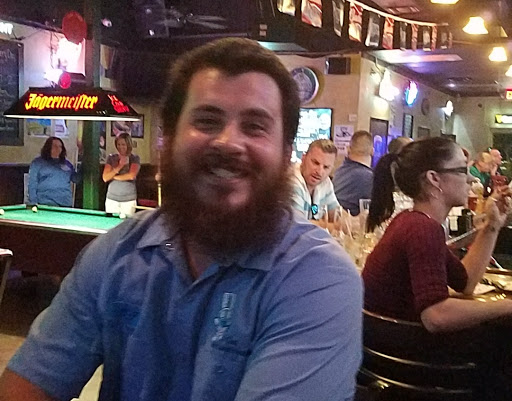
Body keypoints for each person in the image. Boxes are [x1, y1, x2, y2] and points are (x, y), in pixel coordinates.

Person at [0, 38, 362, 401]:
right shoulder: (115, 253)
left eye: (255, 126)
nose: (228, 142)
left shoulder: (318, 277)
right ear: (168, 139)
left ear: (286, 154)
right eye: (207, 121)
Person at [363, 137, 512, 331]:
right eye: (462, 170)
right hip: (402, 347)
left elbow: (465, 282)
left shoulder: (411, 220)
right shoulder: (422, 229)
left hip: (386, 342)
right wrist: (506, 306)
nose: (471, 179)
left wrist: (492, 225)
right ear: (434, 178)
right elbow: (435, 316)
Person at [290, 139, 339, 223]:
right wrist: (334, 226)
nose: (319, 172)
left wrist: (352, 221)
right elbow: (298, 224)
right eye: (315, 163)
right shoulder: (292, 181)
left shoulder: (325, 182)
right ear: (303, 158)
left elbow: (336, 214)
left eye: (326, 167)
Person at [28, 136, 80, 207]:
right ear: (48, 147)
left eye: (60, 146)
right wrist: (33, 202)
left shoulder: (67, 164)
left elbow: (76, 179)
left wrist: (84, 162)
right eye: (55, 146)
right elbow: (32, 183)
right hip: (45, 203)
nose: (58, 149)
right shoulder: (37, 163)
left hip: (65, 203)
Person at [333, 130, 374, 215]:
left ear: (349, 148)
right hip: (349, 220)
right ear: (372, 151)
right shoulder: (369, 178)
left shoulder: (340, 171)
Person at [102, 132, 140, 217]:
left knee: (127, 224)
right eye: (118, 144)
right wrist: (120, 166)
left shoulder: (134, 158)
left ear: (128, 145)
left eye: (123, 144)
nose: (120, 147)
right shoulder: (111, 158)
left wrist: (113, 176)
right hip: (112, 199)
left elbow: (131, 175)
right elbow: (105, 177)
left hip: (128, 200)